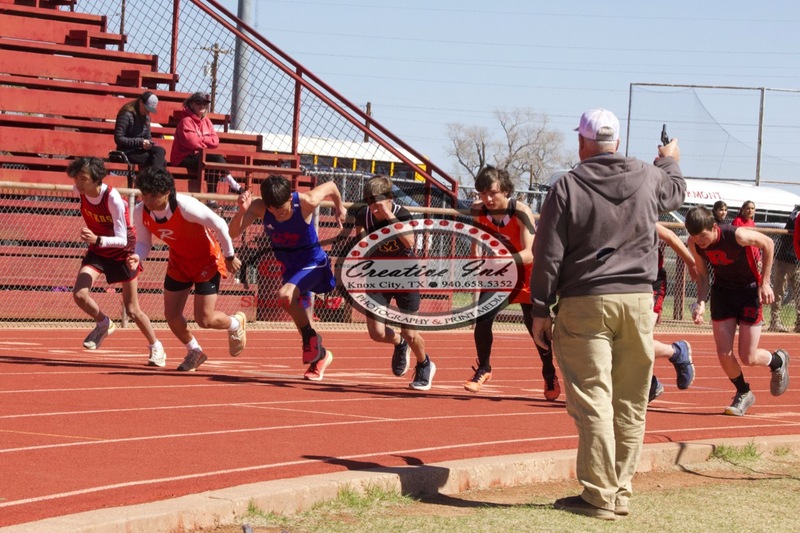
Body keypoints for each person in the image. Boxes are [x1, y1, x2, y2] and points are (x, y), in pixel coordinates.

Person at [530, 108, 685, 520]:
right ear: (616, 142)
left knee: (594, 399)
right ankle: (620, 492)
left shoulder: (567, 184)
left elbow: (548, 253)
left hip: (584, 301)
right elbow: (676, 190)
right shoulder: (649, 176)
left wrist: (540, 308)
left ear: (582, 142)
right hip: (638, 303)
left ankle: (598, 495)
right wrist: (668, 158)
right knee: (631, 402)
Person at [228, 175, 346, 381]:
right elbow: (233, 232)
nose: (278, 214)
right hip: (290, 269)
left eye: (282, 209)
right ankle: (320, 356)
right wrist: (242, 211)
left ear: (290, 199)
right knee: (299, 316)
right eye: (273, 210)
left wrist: (340, 208)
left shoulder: (306, 201)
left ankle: (311, 338)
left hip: (314, 264)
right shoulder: (260, 207)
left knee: (284, 295)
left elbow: (333, 186)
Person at [131, 167, 247, 372]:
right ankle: (194, 350)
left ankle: (235, 323)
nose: (148, 200)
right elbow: (143, 242)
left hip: (206, 261)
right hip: (179, 262)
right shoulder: (140, 211)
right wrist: (137, 256)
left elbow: (220, 224)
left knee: (205, 319)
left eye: (153, 196)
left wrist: (229, 256)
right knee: (171, 315)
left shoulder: (185, 206)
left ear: (167, 192)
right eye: (144, 194)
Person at [464, 165, 561, 400]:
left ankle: (549, 372)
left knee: (535, 327)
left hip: (527, 274)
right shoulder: (478, 210)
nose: (487, 198)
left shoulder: (521, 212)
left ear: (505, 190)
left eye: (492, 193)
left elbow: (531, 253)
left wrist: (502, 261)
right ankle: (484, 368)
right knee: (483, 316)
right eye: (482, 193)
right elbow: (475, 245)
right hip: (500, 276)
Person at [686, 205, 789, 416]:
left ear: (714, 227)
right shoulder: (694, 244)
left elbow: (768, 243)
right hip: (723, 293)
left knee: (748, 356)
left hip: (749, 291)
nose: (700, 241)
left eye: (703, 236)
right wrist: (701, 302)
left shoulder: (736, 235)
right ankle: (743, 392)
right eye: (695, 237)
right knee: (723, 353)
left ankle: (778, 361)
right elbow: (703, 275)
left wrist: (765, 282)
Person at [67, 157, 167, 367]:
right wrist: (97, 241)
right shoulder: (80, 192)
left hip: (123, 251)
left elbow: (122, 238)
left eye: (83, 178)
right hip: (99, 249)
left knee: (132, 309)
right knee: (79, 294)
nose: (78, 182)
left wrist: (98, 239)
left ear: (96, 179)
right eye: (76, 178)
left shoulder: (111, 198)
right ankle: (103, 323)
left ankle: (156, 346)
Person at [351, 176, 436, 390]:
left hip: (406, 276)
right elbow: (360, 244)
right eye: (370, 203)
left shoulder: (402, 214)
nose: (374, 209)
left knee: (410, 332)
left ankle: (425, 363)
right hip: (379, 276)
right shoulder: (364, 215)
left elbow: (409, 242)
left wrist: (388, 215)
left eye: (378, 204)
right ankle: (399, 343)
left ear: (389, 199)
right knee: (376, 333)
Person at [648, 224, 698, 402]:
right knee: (619, 340)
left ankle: (676, 352)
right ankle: (649, 385)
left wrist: (691, 264)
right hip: (621, 284)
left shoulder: (638, 212)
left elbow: (669, 236)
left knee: (639, 337)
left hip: (650, 282)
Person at [170, 91, 243, 196]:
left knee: (212, 164)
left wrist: (200, 138)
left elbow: (215, 141)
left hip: (199, 156)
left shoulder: (206, 121)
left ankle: (212, 198)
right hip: (183, 158)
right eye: (199, 102)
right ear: (191, 104)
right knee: (216, 159)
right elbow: (192, 142)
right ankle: (233, 185)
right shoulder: (186, 121)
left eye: (205, 103)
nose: (202, 105)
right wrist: (206, 140)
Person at [113, 91, 167, 170]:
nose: (148, 112)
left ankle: (153, 179)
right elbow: (119, 138)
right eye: (147, 108)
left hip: (140, 150)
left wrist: (149, 144)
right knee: (161, 162)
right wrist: (140, 142)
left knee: (160, 150)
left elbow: (148, 137)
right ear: (141, 102)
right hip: (128, 151)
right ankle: (154, 180)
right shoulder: (126, 115)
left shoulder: (146, 118)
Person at [769, 207, 800, 332]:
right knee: (779, 291)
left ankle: (799, 322)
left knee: (799, 293)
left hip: (797, 262)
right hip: (784, 258)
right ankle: (774, 321)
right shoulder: (797, 212)